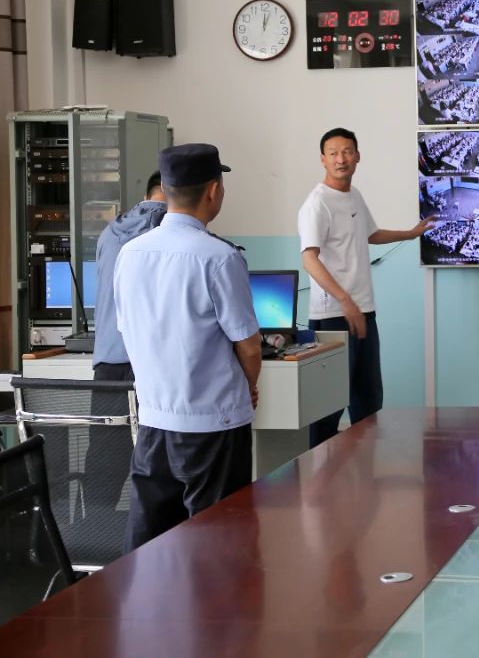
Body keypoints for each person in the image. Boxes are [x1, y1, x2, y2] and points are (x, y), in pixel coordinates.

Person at [115, 144, 262, 551]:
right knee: (219, 546)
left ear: (164, 189)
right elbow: (249, 346)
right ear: (213, 191)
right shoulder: (219, 258)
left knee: (150, 547)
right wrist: (249, 386)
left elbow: (128, 330)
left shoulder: (130, 253)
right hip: (213, 427)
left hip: (153, 423)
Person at [298, 128, 432, 447]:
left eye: (347, 152)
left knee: (369, 402)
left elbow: (370, 234)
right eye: (333, 153)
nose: (341, 159)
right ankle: (320, 471)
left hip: (363, 313)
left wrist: (410, 234)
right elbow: (309, 259)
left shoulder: (353, 195)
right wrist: (345, 300)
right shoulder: (317, 203)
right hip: (333, 317)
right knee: (328, 407)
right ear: (323, 159)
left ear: (357, 156)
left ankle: (364, 469)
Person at [93, 171, 166, 382]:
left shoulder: (108, 234)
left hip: (107, 361)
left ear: (145, 197)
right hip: (151, 364)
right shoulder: (173, 233)